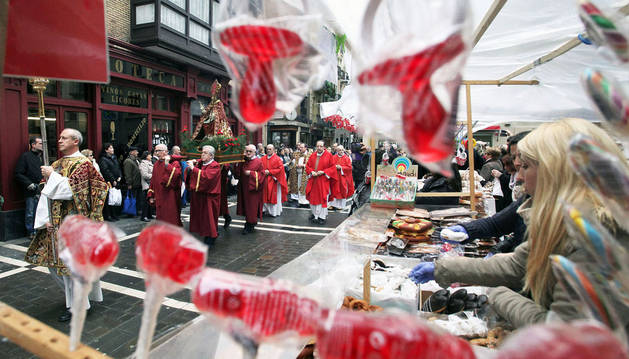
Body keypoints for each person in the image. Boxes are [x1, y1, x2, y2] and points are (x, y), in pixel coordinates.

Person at [410, 118, 629, 330]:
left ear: (555, 171)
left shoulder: (594, 241)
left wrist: (498, 294)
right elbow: (519, 264)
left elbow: (564, 334)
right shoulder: (565, 222)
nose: (519, 176)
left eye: (525, 166)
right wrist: (444, 268)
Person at [25, 129, 108, 322]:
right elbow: (47, 193)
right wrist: (45, 218)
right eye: (59, 137)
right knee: (56, 266)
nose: (59, 140)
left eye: (64, 138)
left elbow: (71, 191)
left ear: (75, 141)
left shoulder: (84, 164)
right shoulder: (57, 164)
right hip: (55, 224)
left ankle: (77, 306)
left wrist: (52, 175)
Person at [441, 131, 530, 255]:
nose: (516, 163)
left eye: (525, 165)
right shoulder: (529, 198)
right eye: (513, 157)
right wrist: (467, 229)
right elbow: (497, 224)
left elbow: (519, 262)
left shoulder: (553, 206)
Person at [186, 146, 221, 246]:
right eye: (202, 152)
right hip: (201, 195)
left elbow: (207, 177)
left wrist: (193, 169)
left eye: (205, 153)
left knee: (209, 217)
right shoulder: (201, 163)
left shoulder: (215, 165)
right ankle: (207, 234)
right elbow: (196, 165)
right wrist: (191, 166)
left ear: (211, 155)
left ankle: (212, 236)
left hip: (210, 196)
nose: (202, 155)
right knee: (203, 217)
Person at [15, 137, 43, 238]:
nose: (42, 145)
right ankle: (30, 231)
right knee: (30, 212)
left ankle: (38, 231)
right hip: (31, 189)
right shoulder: (25, 157)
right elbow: (18, 173)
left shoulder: (42, 157)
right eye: (40, 143)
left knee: (40, 211)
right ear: (33, 145)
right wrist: (29, 184)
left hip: (42, 189)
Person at [147, 144, 182, 226]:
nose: (156, 153)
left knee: (170, 218)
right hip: (159, 196)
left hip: (170, 196)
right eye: (155, 151)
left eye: (158, 151)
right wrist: (151, 195)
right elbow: (153, 180)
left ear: (166, 152)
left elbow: (176, 177)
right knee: (160, 219)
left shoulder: (174, 162)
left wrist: (167, 165)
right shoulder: (156, 164)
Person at [234, 144, 265, 234]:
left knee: (251, 207)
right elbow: (237, 173)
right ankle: (250, 222)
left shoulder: (258, 162)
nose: (248, 153)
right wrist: (236, 164)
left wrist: (251, 174)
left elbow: (262, 175)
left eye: (250, 151)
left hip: (253, 190)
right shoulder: (243, 161)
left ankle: (249, 225)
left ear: (254, 152)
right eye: (246, 151)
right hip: (243, 188)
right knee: (245, 207)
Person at [306, 141, 338, 224]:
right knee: (313, 198)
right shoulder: (313, 155)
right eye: (318, 146)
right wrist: (311, 171)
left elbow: (333, 168)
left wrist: (324, 172)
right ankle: (314, 214)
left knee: (323, 198)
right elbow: (308, 166)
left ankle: (322, 217)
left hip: (323, 181)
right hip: (313, 180)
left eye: (321, 146)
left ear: (324, 147)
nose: (319, 148)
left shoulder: (329, 155)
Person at [261, 144, 288, 217]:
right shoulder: (263, 158)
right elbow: (260, 167)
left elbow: (280, 169)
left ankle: (274, 212)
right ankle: (263, 210)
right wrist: (264, 171)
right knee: (264, 195)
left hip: (274, 180)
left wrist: (270, 172)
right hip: (265, 180)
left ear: (273, 150)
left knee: (274, 196)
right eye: (267, 149)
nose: (268, 150)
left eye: (270, 149)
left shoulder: (277, 159)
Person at [98, 143, 122, 222]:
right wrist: (112, 180)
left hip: (116, 180)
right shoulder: (103, 159)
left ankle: (114, 214)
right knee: (109, 199)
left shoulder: (114, 158)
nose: (113, 149)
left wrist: (119, 176)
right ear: (106, 150)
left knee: (114, 198)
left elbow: (118, 168)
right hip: (108, 181)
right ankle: (108, 215)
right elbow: (106, 171)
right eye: (110, 148)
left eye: (112, 148)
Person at [329, 145, 352, 210]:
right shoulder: (333, 157)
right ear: (337, 151)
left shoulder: (346, 158)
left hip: (342, 177)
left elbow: (349, 168)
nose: (341, 151)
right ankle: (332, 204)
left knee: (342, 190)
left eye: (342, 150)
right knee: (334, 190)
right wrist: (335, 167)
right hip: (335, 177)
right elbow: (330, 165)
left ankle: (340, 205)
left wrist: (341, 167)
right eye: (340, 150)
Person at [288, 143, 310, 207]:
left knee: (305, 188)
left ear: (306, 148)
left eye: (302, 147)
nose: (300, 148)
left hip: (305, 174)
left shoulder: (309, 155)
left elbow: (310, 164)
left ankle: (306, 201)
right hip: (298, 174)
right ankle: (300, 201)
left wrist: (303, 165)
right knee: (299, 187)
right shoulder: (297, 154)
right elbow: (292, 162)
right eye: (300, 147)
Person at [123, 146, 142, 217]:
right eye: (136, 151)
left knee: (137, 198)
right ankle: (130, 212)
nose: (137, 152)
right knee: (131, 198)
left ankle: (135, 211)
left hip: (138, 183)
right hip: (133, 183)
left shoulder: (137, 160)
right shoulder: (128, 161)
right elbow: (128, 174)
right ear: (131, 152)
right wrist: (129, 183)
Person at [139, 151, 154, 222]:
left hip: (151, 184)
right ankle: (144, 216)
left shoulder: (150, 163)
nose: (151, 156)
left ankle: (149, 215)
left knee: (150, 200)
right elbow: (144, 175)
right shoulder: (143, 164)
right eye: (150, 155)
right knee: (146, 201)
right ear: (146, 156)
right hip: (146, 184)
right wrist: (154, 175)